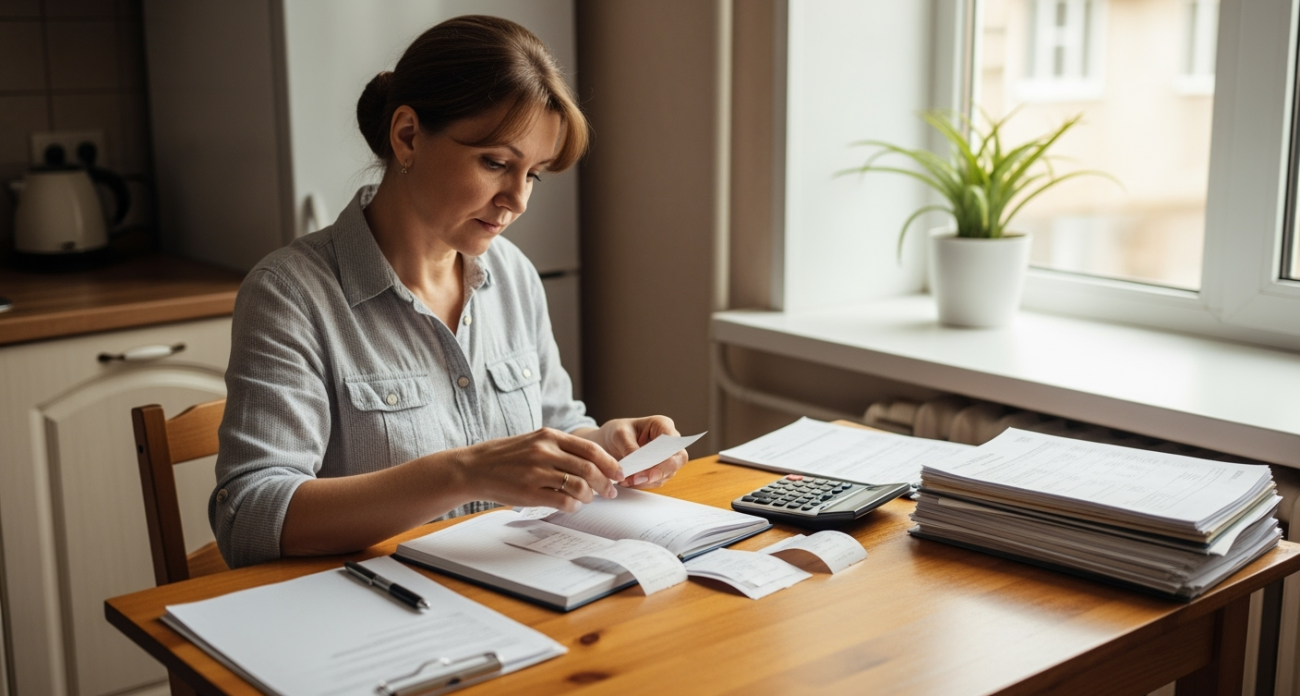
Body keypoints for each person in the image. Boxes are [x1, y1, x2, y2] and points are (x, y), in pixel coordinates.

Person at [210, 15, 687, 569]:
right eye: (495, 163)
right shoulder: (291, 294)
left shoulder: (513, 275)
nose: (517, 200)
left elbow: (555, 421)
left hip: (518, 594)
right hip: (377, 619)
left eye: (532, 174)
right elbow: (247, 516)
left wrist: (604, 444)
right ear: (407, 135)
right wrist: (465, 472)